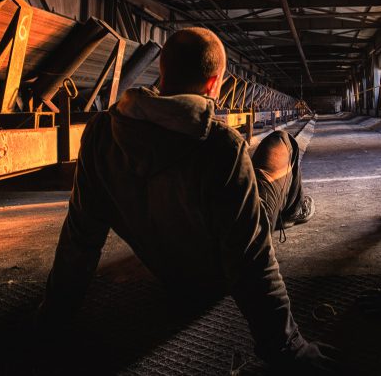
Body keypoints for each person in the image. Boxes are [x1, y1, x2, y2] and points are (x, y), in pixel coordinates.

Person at [37, 27, 331, 372]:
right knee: (281, 144)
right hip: (219, 276)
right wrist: (287, 346)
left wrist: (53, 317)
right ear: (214, 83)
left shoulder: (102, 131)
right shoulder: (220, 144)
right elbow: (251, 260)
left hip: (167, 271)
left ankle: (284, 203)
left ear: (162, 72)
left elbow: (80, 236)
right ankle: (294, 207)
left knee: (246, 173)